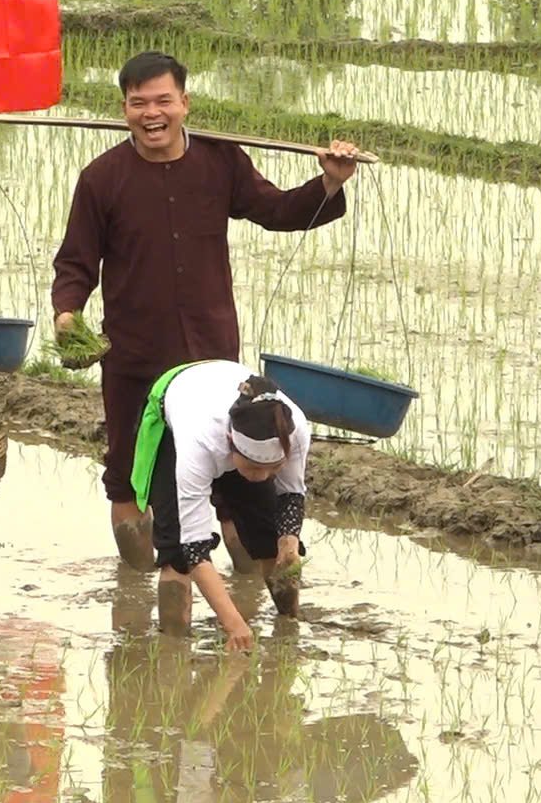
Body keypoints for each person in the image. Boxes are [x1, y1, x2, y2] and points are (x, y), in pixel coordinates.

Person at [49, 52, 359, 569]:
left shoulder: (220, 161)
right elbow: (76, 262)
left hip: (211, 355)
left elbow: (278, 210)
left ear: (184, 103)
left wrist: (329, 183)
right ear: (124, 109)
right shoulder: (102, 178)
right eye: (139, 103)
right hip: (134, 353)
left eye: (163, 101)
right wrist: (67, 315)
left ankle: (251, 578)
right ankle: (134, 588)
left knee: (232, 471)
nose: (153, 114)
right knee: (128, 470)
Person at [128, 360, 312, 648]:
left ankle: (288, 624)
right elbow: (195, 549)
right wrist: (234, 624)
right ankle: (172, 650)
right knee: (175, 552)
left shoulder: (293, 428)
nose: (260, 477)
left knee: (269, 538)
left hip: (227, 396)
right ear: (230, 442)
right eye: (253, 468)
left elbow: (291, 494)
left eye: (273, 468)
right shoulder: (199, 443)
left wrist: (288, 543)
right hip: (178, 405)